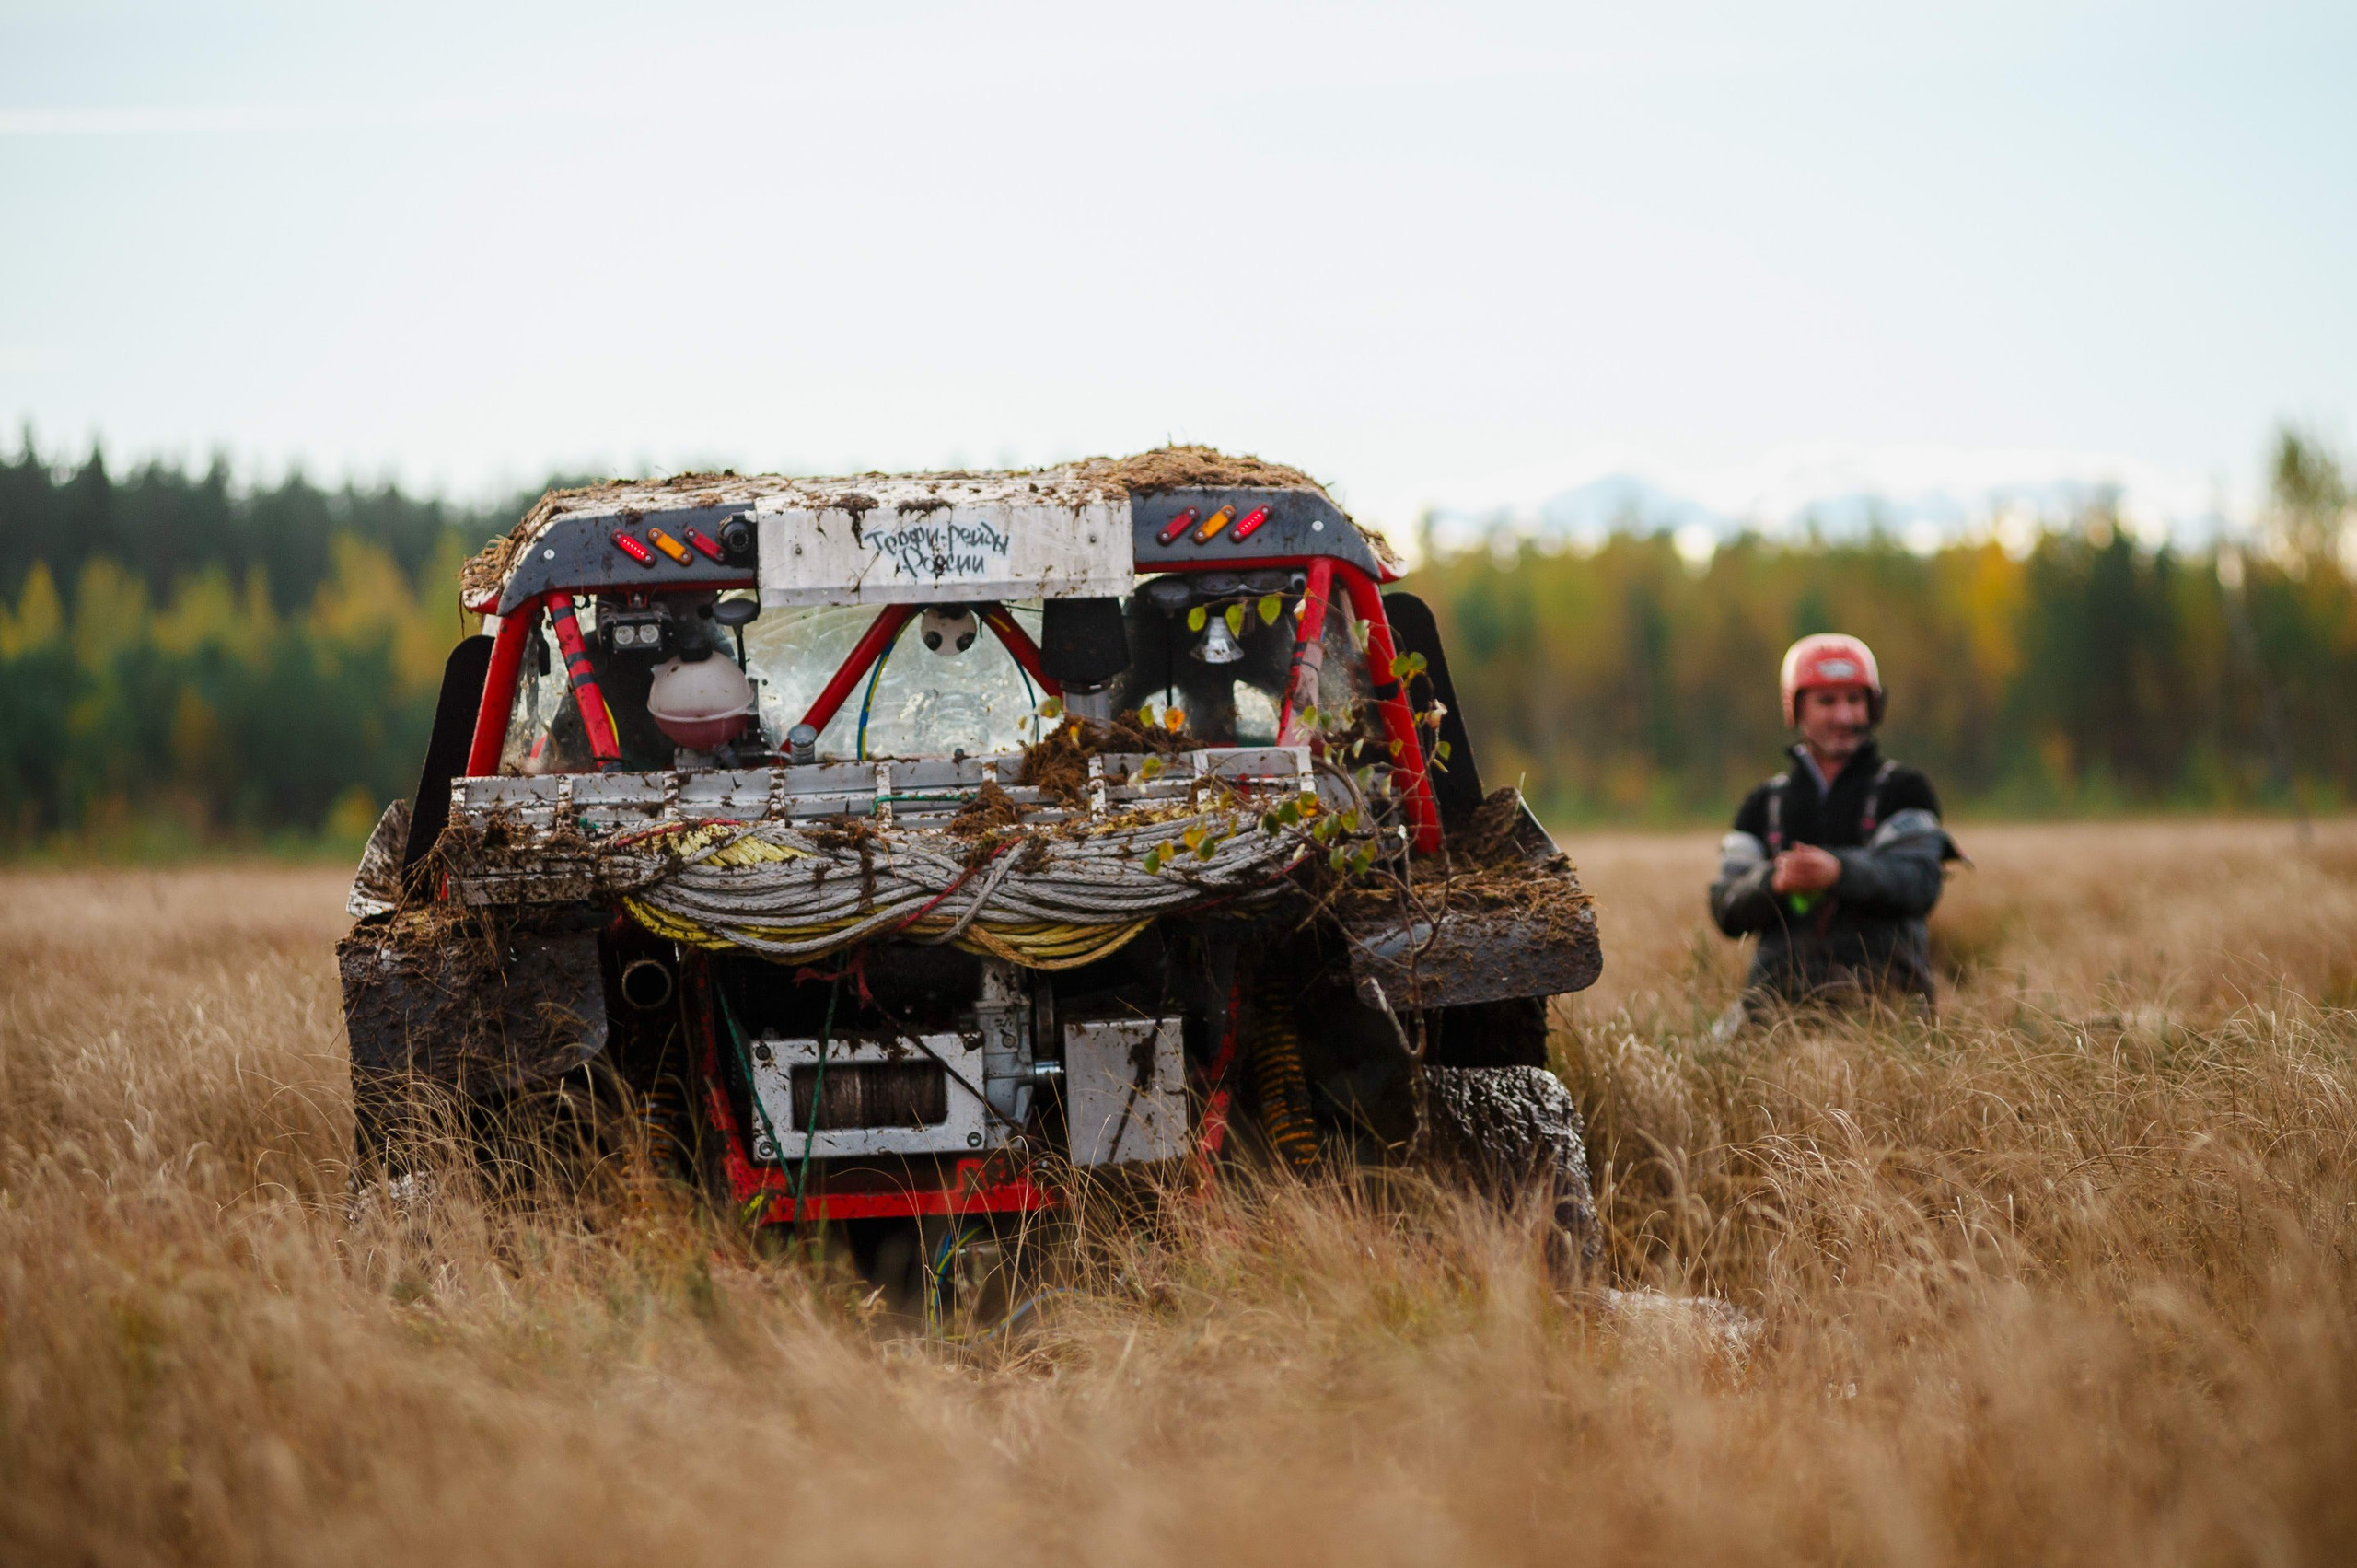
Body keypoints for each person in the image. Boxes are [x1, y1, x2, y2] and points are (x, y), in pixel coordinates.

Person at [1709, 633, 1961, 1017]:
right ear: (1795, 707)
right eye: (1826, 701)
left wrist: (1839, 871)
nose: (1844, 716)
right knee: (1711, 1062)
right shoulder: (1763, 804)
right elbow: (1726, 908)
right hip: (1775, 1013)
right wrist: (1774, 883)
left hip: (1887, 1011)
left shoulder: (1905, 790)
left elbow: (1919, 883)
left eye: (1854, 700)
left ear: (1873, 707)